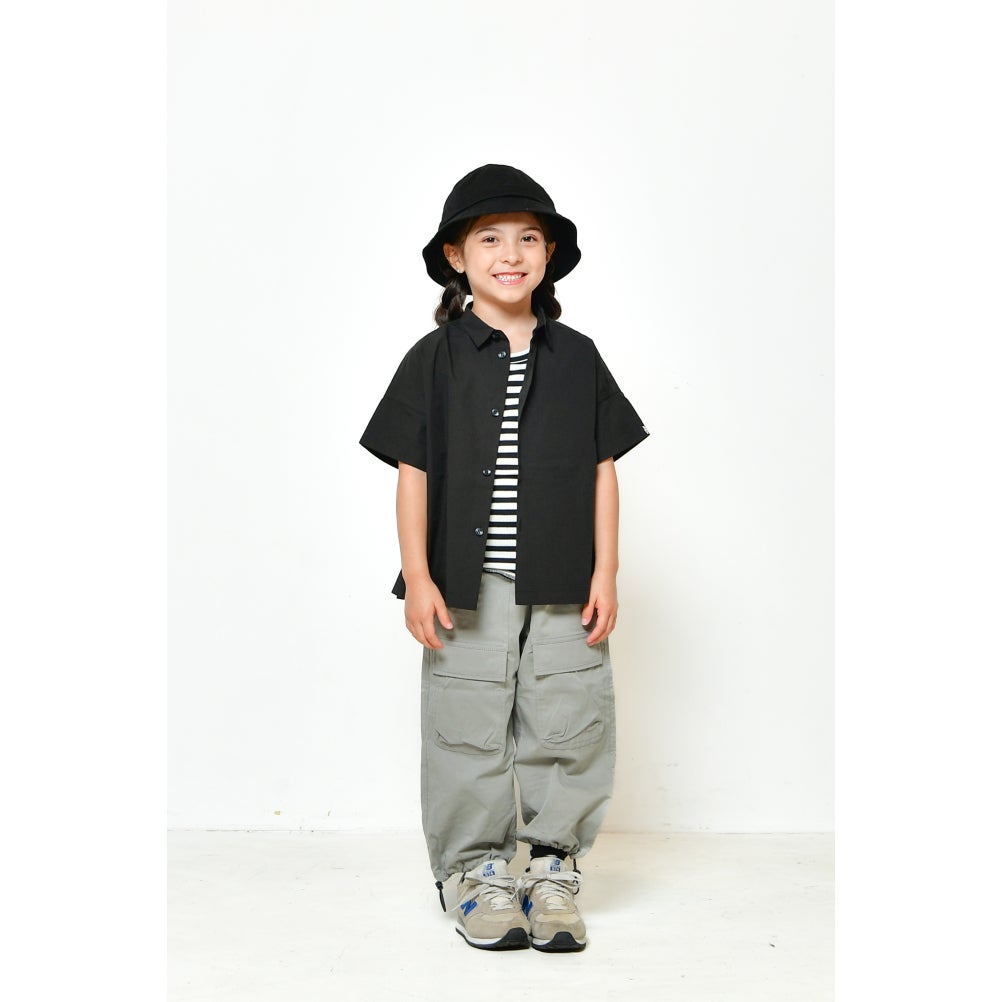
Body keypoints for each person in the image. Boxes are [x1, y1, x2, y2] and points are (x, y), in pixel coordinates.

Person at [360, 164, 649, 952]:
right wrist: (420, 577)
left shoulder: (579, 357)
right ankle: (475, 872)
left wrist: (606, 571)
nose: (511, 253)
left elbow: (603, 467)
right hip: (468, 586)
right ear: (456, 257)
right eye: (489, 239)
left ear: (549, 254)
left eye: (528, 238)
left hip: (563, 582)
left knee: (570, 721)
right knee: (468, 728)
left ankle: (553, 869)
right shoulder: (433, 358)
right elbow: (412, 472)